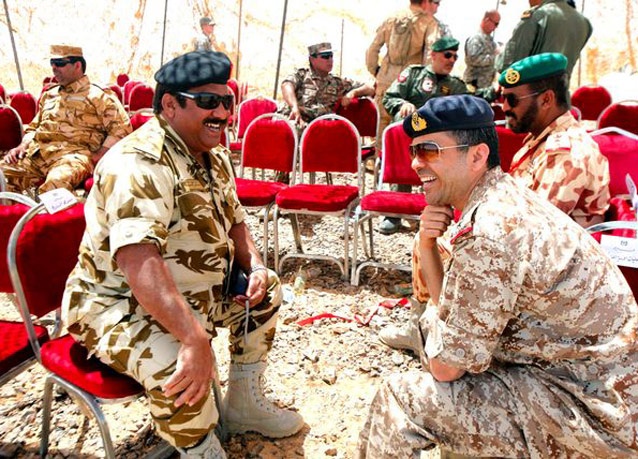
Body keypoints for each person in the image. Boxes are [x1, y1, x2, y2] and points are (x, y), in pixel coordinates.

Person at [358, 94, 638, 458]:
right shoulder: (499, 196)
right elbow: (457, 325)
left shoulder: (491, 231)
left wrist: (436, 332)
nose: (415, 163)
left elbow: (446, 367)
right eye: (413, 151)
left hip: (595, 414)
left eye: (428, 151)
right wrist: (426, 245)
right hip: (584, 386)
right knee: (452, 361)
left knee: (400, 400)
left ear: (477, 156)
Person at [62, 50, 304, 458]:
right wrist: (193, 338)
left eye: (226, 101)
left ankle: (243, 405)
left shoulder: (214, 154)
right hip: (117, 303)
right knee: (177, 363)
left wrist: (257, 268)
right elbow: (139, 262)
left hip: (190, 290)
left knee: (268, 292)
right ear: (170, 105)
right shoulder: (139, 163)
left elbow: (236, 222)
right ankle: (198, 446)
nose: (221, 113)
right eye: (208, 101)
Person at [1, 44, 131, 194]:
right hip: (36, 155)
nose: (54, 68)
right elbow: (33, 128)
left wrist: (98, 156)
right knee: (2, 175)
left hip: (72, 157)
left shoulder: (99, 96)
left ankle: (49, 210)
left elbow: (122, 129)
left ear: (77, 65)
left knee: (55, 186)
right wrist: (22, 146)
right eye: (52, 63)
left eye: (60, 63)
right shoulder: (49, 95)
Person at [500, 52, 610, 227]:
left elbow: (535, 229)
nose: (504, 107)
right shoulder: (541, 137)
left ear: (546, 99)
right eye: (503, 98)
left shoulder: (567, 154)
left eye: (512, 100)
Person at [379, 36, 466, 235]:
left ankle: (436, 214)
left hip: (439, 143)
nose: (452, 60)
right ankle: (394, 213)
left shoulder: (456, 86)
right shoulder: (413, 74)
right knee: (403, 139)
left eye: (455, 57)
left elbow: (470, 105)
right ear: (433, 55)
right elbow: (390, 97)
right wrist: (402, 104)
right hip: (409, 137)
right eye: (447, 55)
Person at [365, 0, 447, 152]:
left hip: (385, 81)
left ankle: (380, 164)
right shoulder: (429, 23)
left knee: (381, 132)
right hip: (409, 87)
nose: (437, 7)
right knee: (406, 136)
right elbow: (430, 56)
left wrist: (375, 71)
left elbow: (372, 49)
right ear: (425, 2)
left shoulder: (392, 18)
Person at [278, 42, 375, 128]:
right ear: (312, 59)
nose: (330, 60)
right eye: (325, 56)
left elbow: (370, 88)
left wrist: (353, 93)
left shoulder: (337, 82)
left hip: (318, 127)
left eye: (331, 56)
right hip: (294, 119)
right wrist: (294, 107)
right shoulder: (302, 75)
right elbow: (286, 85)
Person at [498, 0, 592, 77]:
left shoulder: (537, 15)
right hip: (560, 92)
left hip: (529, 92)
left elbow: (509, 65)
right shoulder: (584, 23)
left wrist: (499, 58)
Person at [463, 9, 501, 92]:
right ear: (487, 20)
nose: (496, 27)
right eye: (496, 24)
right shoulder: (476, 38)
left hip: (484, 87)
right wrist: (495, 57)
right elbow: (473, 59)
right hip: (474, 86)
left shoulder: (490, 40)